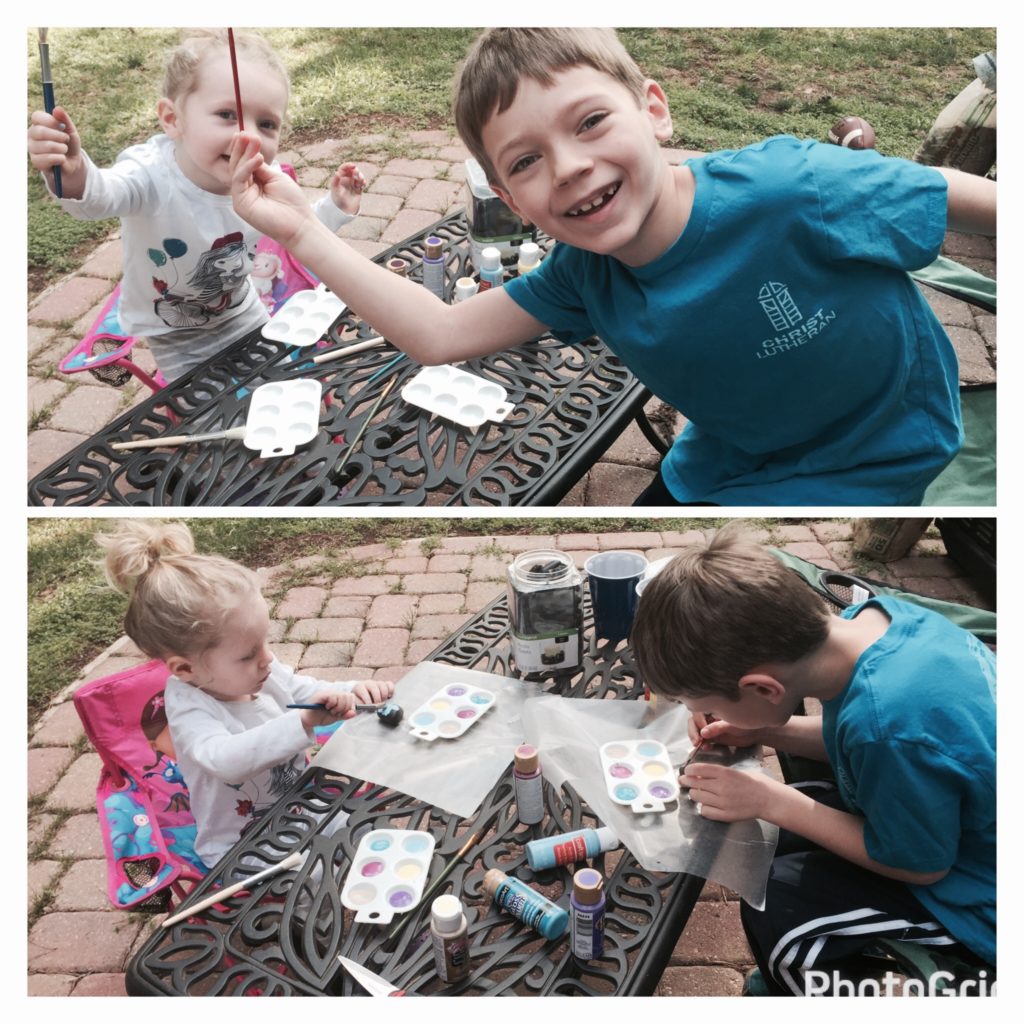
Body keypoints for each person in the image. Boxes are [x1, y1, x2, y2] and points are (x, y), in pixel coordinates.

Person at [227, 27, 996, 507]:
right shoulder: (582, 276)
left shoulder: (795, 187)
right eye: (526, 161)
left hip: (875, 449)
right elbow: (436, 333)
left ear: (653, 109)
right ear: (508, 199)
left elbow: (966, 199)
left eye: (591, 120)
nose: (567, 166)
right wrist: (300, 230)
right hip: (739, 452)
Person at [630, 524, 996, 995]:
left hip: (978, 893)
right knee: (765, 845)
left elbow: (921, 866)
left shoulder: (887, 728)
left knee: (778, 907)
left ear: (763, 688)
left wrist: (772, 800)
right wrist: (764, 729)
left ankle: (799, 979)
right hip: (949, 821)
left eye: (713, 706)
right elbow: (856, 740)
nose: (709, 718)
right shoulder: (873, 623)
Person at [28, 28, 366, 383]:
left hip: (242, 310)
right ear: (173, 120)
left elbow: (297, 231)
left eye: (266, 124)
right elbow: (97, 199)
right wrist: (73, 170)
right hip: (173, 331)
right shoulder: (148, 173)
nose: (248, 136)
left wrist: (335, 207)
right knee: (204, 413)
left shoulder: (262, 177)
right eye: (226, 114)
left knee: (277, 382)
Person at [98, 520, 395, 869]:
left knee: (367, 827)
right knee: (311, 876)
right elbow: (226, 761)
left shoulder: (258, 672)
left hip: (302, 805)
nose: (266, 658)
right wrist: (302, 721)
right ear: (185, 669)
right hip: (243, 843)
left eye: (263, 643)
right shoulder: (190, 711)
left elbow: (303, 690)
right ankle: (316, 921)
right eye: (247, 654)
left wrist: (352, 692)